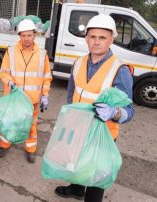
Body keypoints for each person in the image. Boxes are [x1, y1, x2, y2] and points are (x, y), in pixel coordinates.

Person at [54, 14, 134, 202]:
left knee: (96, 179)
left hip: (102, 135)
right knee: (76, 164)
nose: (96, 42)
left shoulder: (119, 70)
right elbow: (71, 94)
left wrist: (114, 112)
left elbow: (129, 111)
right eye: (92, 37)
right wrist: (69, 116)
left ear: (111, 39)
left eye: (102, 37)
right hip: (79, 129)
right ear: (86, 38)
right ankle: (76, 189)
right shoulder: (78, 63)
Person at [0, 19, 52, 164]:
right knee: (9, 123)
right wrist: (9, 81)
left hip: (31, 100)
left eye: (29, 35)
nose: (26, 39)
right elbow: (4, 71)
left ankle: (30, 150)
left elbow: (47, 76)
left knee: (31, 126)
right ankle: (4, 145)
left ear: (35, 35)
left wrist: (45, 94)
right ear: (19, 36)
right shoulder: (11, 52)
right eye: (23, 35)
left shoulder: (42, 54)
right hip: (14, 98)